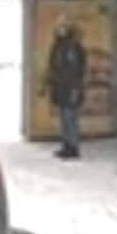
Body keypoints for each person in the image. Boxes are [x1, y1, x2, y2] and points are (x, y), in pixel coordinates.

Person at [43, 19, 88, 160]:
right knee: (65, 117)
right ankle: (67, 145)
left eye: (62, 27)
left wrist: (75, 88)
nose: (59, 30)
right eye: (58, 27)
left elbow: (75, 70)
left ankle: (72, 147)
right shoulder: (60, 45)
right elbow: (55, 67)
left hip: (70, 88)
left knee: (70, 117)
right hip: (63, 87)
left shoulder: (72, 47)